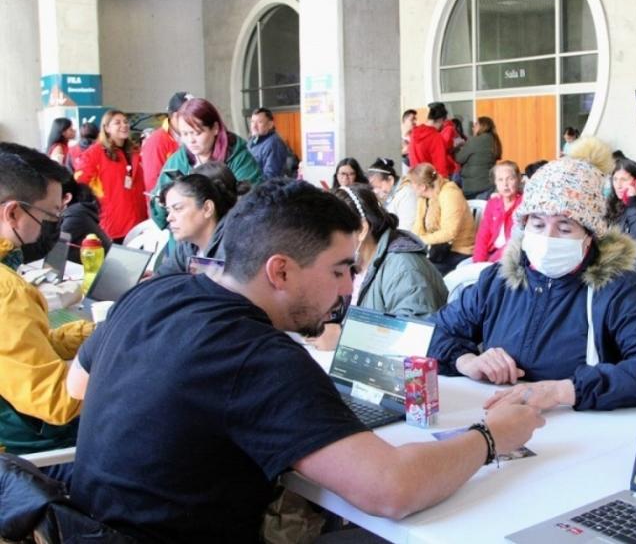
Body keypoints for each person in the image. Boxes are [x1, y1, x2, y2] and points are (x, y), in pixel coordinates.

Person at [65, 180, 544, 542]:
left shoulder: (154, 295)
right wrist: (492, 436)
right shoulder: (258, 356)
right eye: (339, 270)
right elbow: (391, 489)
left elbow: (78, 387)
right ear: (280, 270)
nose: (346, 288)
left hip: (90, 526)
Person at [427, 143, 636, 412]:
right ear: (524, 225)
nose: (548, 238)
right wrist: (466, 360)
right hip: (499, 419)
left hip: (579, 431)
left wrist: (563, 390)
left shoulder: (616, 290)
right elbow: (431, 332)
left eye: (565, 228)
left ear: (590, 236)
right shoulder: (498, 282)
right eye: (538, 224)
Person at [0, 147, 91, 484]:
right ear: (13, 214)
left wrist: (88, 335)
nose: (55, 229)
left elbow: (16, 349)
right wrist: (117, 359)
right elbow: (55, 401)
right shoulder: (6, 290)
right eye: (51, 217)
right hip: (22, 459)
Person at [310, 184, 448, 351]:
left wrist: (343, 336)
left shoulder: (404, 268)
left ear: (361, 229)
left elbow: (414, 338)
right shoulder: (352, 266)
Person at [149, 97, 263, 228]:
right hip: (183, 242)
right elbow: (159, 219)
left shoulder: (239, 158)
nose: (190, 140)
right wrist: (161, 202)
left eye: (197, 133)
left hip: (227, 237)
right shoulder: (178, 160)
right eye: (184, 134)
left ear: (215, 128)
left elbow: (252, 208)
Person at [73, 109, 147, 242]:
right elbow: (80, 185)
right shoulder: (94, 153)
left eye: (125, 122)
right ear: (106, 128)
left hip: (138, 221)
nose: (124, 125)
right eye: (117, 123)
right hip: (112, 224)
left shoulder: (135, 151)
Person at [154, 163, 239, 276]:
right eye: (169, 211)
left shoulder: (235, 249)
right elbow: (162, 278)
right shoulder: (186, 245)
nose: (169, 218)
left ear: (207, 208)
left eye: (178, 208)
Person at [408, 162, 475, 274]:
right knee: (409, 265)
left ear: (423, 187)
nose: (411, 187)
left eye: (412, 184)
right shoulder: (424, 198)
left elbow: (449, 233)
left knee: (421, 274)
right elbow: (418, 226)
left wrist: (421, 240)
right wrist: (412, 242)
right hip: (438, 249)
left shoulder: (449, 194)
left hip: (459, 250)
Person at [473, 161, 522, 262]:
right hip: (490, 254)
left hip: (511, 258)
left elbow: (516, 241)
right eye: (500, 180)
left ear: (518, 179)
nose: (505, 184)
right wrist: (478, 262)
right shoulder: (492, 203)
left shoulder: (523, 204)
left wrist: (490, 262)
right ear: (495, 182)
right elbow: (482, 236)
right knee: (462, 268)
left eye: (510, 179)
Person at [141, 91, 191, 192]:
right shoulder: (156, 142)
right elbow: (153, 183)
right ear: (176, 116)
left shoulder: (190, 136)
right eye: (189, 115)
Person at [455, 116, 502, 199]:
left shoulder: (474, 140)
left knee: (472, 210)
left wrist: (456, 147)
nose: (473, 127)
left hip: (472, 186)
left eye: (475, 124)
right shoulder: (494, 141)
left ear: (482, 126)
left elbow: (459, 158)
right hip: (488, 185)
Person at [366, 157, 417, 232]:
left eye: (378, 187)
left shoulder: (407, 194)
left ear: (390, 180)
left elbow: (406, 230)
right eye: (373, 188)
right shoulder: (389, 194)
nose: (375, 191)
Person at [408, 102, 457, 178]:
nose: (443, 125)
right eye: (443, 122)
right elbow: (441, 169)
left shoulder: (413, 133)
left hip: (416, 181)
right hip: (430, 182)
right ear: (441, 119)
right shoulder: (436, 137)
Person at [248, 107, 292, 180]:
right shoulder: (252, 140)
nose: (254, 126)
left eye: (259, 122)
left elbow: (271, 177)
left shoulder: (274, 144)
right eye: (252, 121)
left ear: (270, 125)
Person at [400, 108, 417, 173]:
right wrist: (404, 151)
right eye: (412, 119)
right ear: (404, 121)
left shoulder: (416, 136)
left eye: (415, 119)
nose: (415, 122)